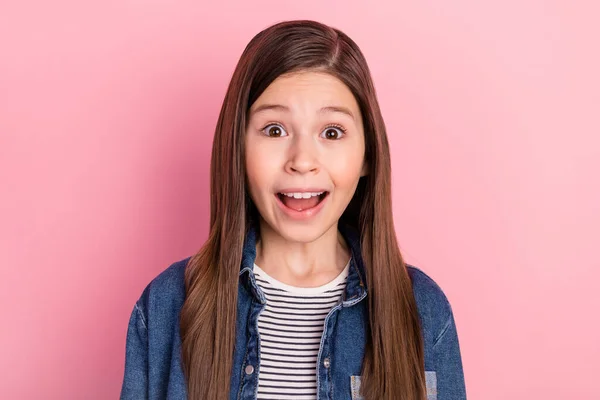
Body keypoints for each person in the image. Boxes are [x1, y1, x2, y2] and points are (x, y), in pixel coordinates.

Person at [120, 19, 466, 400]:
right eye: (274, 130)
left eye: (331, 132)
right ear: (237, 147)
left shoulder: (422, 310)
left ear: (368, 155)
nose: (302, 161)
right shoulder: (168, 305)